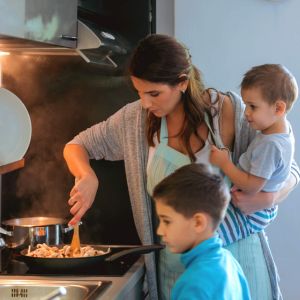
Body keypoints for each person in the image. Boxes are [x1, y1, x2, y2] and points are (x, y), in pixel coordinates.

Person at [63, 34, 299, 300]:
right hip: (177, 274)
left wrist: (267, 197)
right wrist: (86, 175)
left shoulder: (229, 110)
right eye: (139, 92)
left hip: (239, 267)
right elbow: (77, 145)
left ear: (183, 83)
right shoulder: (135, 120)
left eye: (155, 93)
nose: (146, 103)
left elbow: (289, 167)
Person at [210, 64, 297, 235]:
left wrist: (225, 163)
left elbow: (251, 186)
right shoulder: (281, 130)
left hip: (253, 212)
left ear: (279, 108)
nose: (246, 113)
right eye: (245, 105)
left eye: (252, 106)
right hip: (256, 205)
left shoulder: (271, 145)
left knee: (209, 237)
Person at [153, 163, 251, 300]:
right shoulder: (229, 262)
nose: (160, 231)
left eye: (167, 221)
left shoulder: (193, 285)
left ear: (198, 222)